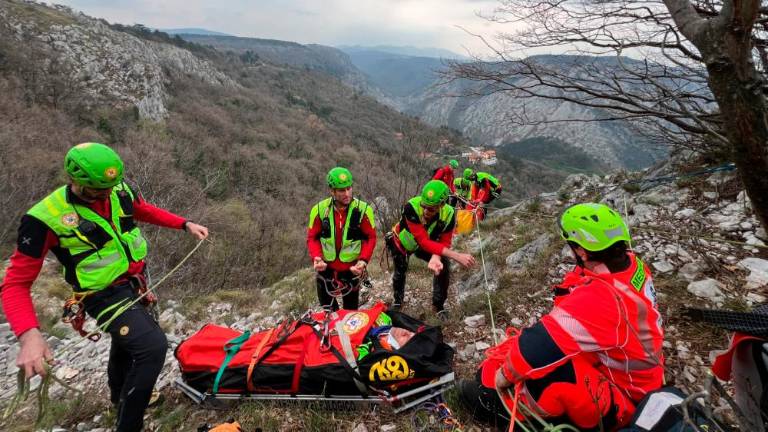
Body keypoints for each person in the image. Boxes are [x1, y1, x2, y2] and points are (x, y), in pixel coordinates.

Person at [0, 142, 209, 432]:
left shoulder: (117, 188)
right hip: (102, 294)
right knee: (152, 347)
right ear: (74, 181)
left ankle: (117, 396)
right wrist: (28, 335)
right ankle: (128, 424)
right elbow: (15, 284)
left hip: (136, 281)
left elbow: (141, 210)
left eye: (109, 188)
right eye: (98, 190)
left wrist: (184, 224)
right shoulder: (44, 219)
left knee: (128, 343)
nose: (105, 195)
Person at [458, 203, 664, 431]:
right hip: (635, 377)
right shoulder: (633, 266)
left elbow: (535, 348)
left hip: (625, 402)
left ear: (582, 252)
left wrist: (502, 377)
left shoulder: (599, 299)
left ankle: (504, 411)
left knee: (545, 375)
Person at [385, 180, 476, 317]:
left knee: (443, 266)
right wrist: (457, 256)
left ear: (442, 204)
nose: (426, 211)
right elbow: (423, 241)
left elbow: (445, 240)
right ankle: (398, 301)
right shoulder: (412, 207)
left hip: (427, 243)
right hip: (403, 241)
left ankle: (438, 305)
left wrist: (437, 256)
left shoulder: (449, 214)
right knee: (400, 270)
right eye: (424, 206)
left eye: (431, 208)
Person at [307, 167, 376, 311]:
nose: (347, 193)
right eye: (341, 190)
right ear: (332, 191)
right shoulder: (319, 210)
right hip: (326, 268)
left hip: (351, 269)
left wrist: (363, 260)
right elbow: (312, 237)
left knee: (350, 311)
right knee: (328, 310)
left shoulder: (363, 210)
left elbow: (371, 237)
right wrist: (317, 257)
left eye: (349, 188)